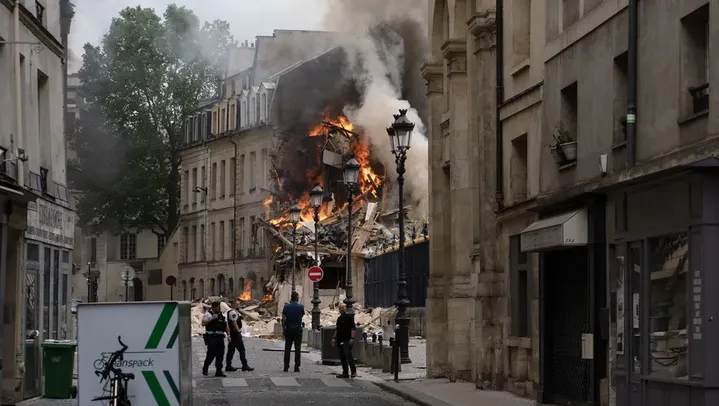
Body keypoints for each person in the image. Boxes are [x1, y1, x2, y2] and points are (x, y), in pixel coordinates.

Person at [201, 301, 228, 377]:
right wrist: (212, 319)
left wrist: (228, 335)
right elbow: (203, 323)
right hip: (211, 337)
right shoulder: (208, 314)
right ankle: (205, 367)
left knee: (220, 354)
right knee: (211, 353)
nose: (219, 308)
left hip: (220, 337)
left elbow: (226, 326)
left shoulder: (221, 315)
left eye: (220, 307)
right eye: (218, 307)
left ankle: (219, 371)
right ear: (214, 307)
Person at [226, 299, 254, 372]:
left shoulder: (234, 312)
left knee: (231, 350)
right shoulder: (232, 312)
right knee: (241, 350)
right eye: (237, 304)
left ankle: (228, 365)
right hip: (235, 334)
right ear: (233, 304)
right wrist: (238, 331)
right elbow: (234, 322)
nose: (238, 305)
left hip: (232, 334)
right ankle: (244, 365)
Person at [331, 303, 357, 378]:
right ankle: (345, 372)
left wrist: (352, 338)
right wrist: (334, 338)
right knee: (342, 357)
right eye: (340, 308)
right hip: (340, 339)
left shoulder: (349, 317)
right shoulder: (339, 319)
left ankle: (353, 371)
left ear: (345, 308)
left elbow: (353, 328)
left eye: (342, 308)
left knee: (348, 355)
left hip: (347, 339)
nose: (341, 309)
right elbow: (337, 329)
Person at [281, 291, 304, 372]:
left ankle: (286, 366)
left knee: (287, 348)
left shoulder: (286, 307)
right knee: (298, 348)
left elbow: (283, 319)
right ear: (297, 298)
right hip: (297, 329)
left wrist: (283, 329)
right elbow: (301, 315)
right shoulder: (301, 306)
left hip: (289, 329)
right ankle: (297, 366)